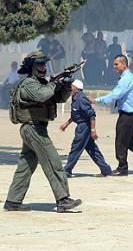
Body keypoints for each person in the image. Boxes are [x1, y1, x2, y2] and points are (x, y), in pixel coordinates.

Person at [4, 51, 82, 212]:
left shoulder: (41, 83)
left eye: (44, 64)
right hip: (33, 129)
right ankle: (63, 199)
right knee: (53, 162)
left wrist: (65, 85)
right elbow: (42, 95)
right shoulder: (29, 84)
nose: (43, 67)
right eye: (40, 64)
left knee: (25, 166)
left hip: (35, 128)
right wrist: (55, 83)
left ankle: (13, 201)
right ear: (31, 67)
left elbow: (58, 99)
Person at [88, 55, 133, 176]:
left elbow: (116, 94)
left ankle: (122, 167)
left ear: (124, 64)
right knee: (128, 141)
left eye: (116, 64)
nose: (114, 67)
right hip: (132, 116)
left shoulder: (126, 79)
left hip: (127, 116)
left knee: (120, 141)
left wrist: (97, 100)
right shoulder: (128, 77)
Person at [60, 79, 112, 177]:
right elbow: (76, 114)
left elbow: (91, 115)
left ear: (76, 89)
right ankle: (106, 169)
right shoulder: (75, 98)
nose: (70, 89)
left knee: (76, 147)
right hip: (82, 125)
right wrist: (66, 124)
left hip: (84, 127)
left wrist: (93, 130)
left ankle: (67, 170)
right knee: (92, 149)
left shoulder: (81, 99)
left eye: (71, 87)